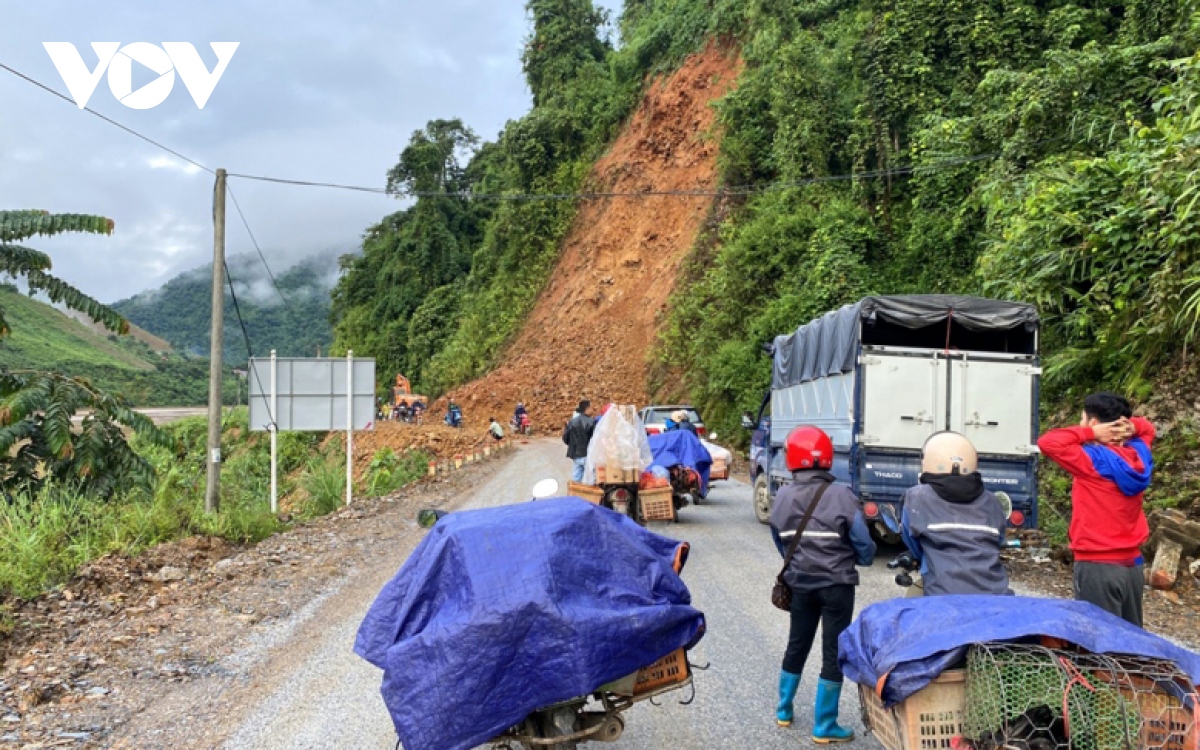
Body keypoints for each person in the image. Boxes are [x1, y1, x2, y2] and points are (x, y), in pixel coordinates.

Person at [770, 425, 875, 743]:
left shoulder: (783, 495)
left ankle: (784, 710)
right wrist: (860, 559)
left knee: (797, 643)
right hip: (837, 586)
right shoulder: (843, 495)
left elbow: (780, 540)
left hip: (800, 583)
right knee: (833, 651)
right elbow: (864, 545)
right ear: (827, 457)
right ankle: (825, 725)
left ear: (792, 458)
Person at [1037, 392, 1154, 626]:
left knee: (1098, 645)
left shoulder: (1091, 460)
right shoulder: (1138, 453)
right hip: (1132, 566)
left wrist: (1090, 434)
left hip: (1097, 564)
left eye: (1083, 420)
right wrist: (1132, 427)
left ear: (1092, 422)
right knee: (1130, 641)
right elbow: (1148, 428)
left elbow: (1047, 442)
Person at [900, 432, 1012, 597]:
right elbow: (999, 539)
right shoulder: (992, 501)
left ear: (926, 462)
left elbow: (912, 541)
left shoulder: (916, 497)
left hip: (941, 595)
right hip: (996, 595)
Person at [562, 400, 595, 483]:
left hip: (576, 455)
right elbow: (595, 441)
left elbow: (566, 439)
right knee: (590, 480)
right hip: (587, 455)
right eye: (591, 407)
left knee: (576, 479)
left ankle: (575, 494)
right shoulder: (591, 422)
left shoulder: (572, 422)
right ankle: (588, 495)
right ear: (587, 409)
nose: (593, 409)